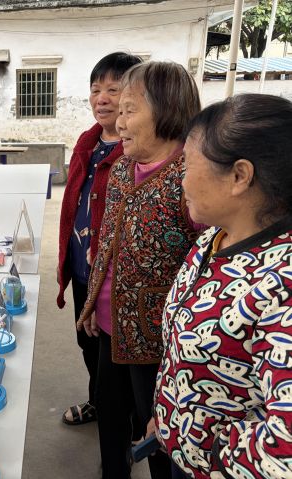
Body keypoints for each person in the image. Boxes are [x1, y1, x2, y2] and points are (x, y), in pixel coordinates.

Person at [152, 94, 292, 479]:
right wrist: (168, 417)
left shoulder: (281, 285)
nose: (180, 180)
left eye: (187, 165)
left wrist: (207, 448)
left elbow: (284, 452)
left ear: (239, 176)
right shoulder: (214, 239)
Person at [78, 61, 202, 479]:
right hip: (109, 326)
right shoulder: (121, 169)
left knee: (160, 433)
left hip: (158, 343)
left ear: (168, 111)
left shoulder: (192, 179)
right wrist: (92, 302)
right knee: (110, 412)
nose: (119, 121)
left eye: (130, 110)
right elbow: (107, 245)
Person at [57, 52, 142, 427]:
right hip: (81, 267)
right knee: (87, 342)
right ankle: (98, 402)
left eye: (112, 89)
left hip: (110, 277)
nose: (102, 98)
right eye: (95, 90)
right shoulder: (87, 143)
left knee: (114, 353)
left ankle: (123, 421)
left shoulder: (134, 152)